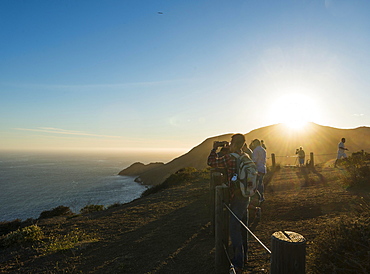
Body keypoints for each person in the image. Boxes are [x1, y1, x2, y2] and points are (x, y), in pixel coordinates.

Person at [207, 134, 250, 274]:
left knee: (234, 228)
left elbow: (211, 162)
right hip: (246, 195)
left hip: (237, 197)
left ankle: (238, 264)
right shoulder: (245, 156)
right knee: (242, 226)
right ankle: (244, 257)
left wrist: (214, 149)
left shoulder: (229, 157)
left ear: (233, 143)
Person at [251, 139, 267, 204]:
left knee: (256, 184)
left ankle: (259, 197)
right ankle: (262, 196)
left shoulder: (255, 150)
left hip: (258, 168)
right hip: (263, 168)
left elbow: (254, 160)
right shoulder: (263, 149)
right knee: (260, 183)